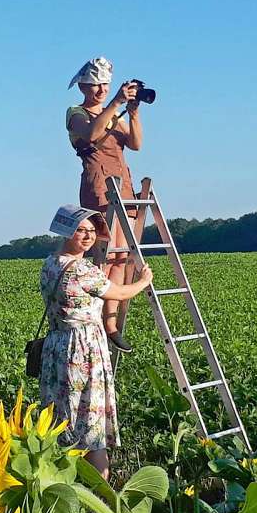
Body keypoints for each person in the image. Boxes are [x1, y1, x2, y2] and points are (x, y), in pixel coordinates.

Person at [39, 204, 153, 480]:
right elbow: (119, 292)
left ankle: (62, 478)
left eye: (91, 230)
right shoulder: (82, 270)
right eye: (81, 230)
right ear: (67, 232)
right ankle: (99, 492)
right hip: (83, 347)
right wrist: (143, 281)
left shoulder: (51, 262)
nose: (88, 236)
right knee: (89, 418)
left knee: (60, 415)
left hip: (56, 346)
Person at [65, 56, 144, 352]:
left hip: (123, 186)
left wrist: (133, 112)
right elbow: (93, 134)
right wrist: (114, 103)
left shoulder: (114, 113)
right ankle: (100, 322)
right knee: (105, 255)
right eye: (96, 84)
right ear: (84, 85)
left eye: (105, 84)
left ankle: (113, 324)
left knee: (122, 258)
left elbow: (135, 144)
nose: (101, 90)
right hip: (99, 186)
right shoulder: (76, 113)